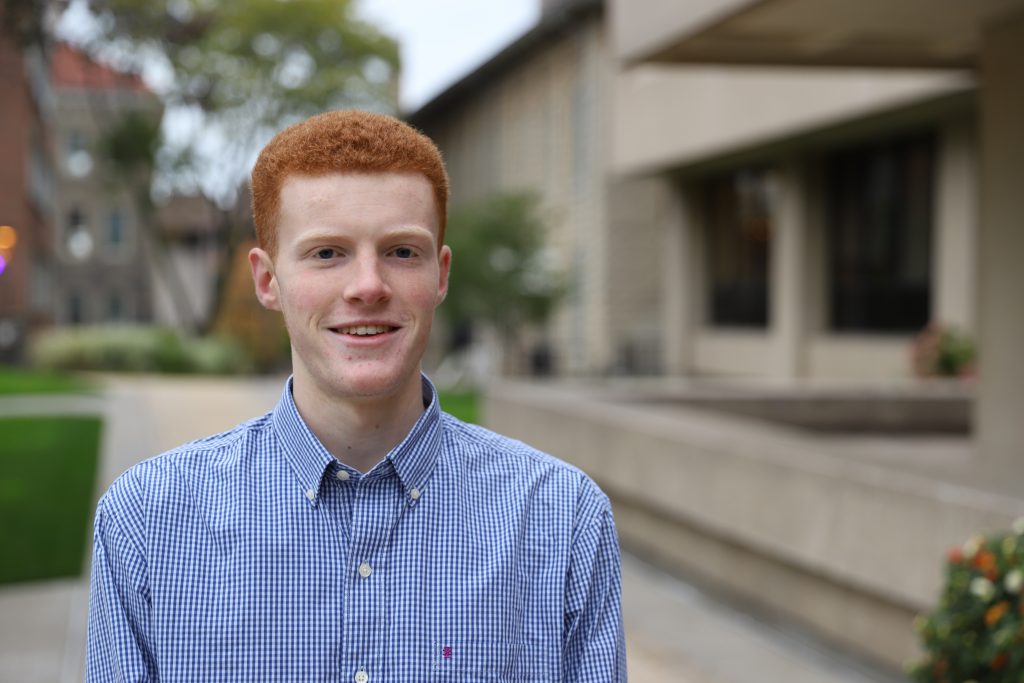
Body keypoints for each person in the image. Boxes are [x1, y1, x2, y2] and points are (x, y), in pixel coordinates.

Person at [85, 110, 626, 682]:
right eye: (327, 253)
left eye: (401, 252)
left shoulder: (562, 519)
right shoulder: (148, 521)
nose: (368, 286)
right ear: (267, 280)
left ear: (440, 275)